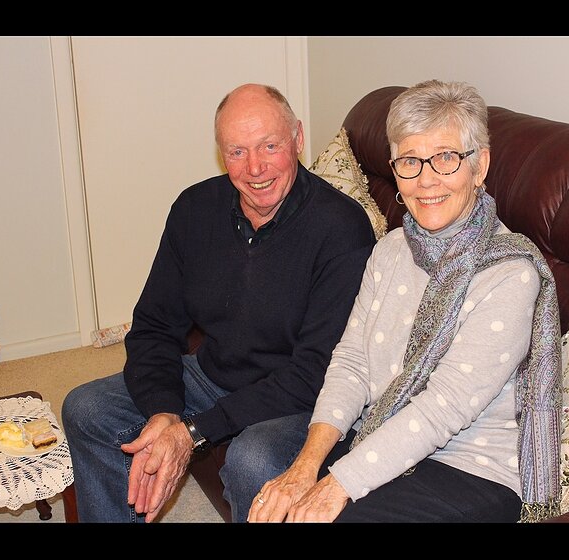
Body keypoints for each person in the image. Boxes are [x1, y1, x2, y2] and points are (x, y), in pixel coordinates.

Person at [248, 80, 563, 524]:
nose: (426, 180)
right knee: (253, 457)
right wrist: (305, 466)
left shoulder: (510, 275)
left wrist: (336, 485)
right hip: (380, 425)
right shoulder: (391, 249)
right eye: (410, 161)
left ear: (479, 165)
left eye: (446, 158)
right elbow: (352, 362)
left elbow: (443, 407)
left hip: (471, 467)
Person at [61, 83, 376, 523]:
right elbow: (154, 325)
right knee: (86, 408)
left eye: (270, 146)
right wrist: (164, 411)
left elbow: (314, 373)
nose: (255, 168)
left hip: (301, 400)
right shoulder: (195, 209)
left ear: (298, 139)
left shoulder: (341, 228)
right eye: (237, 152)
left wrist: (193, 431)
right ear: (221, 153)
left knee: (253, 459)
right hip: (214, 374)